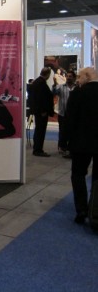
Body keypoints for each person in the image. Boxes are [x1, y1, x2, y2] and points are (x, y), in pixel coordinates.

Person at [66, 67, 98, 225]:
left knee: (78, 175)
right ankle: (95, 209)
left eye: (79, 76)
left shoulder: (77, 93)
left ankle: (82, 209)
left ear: (87, 76)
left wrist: (65, 141)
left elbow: (69, 119)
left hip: (81, 143)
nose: (78, 79)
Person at [28, 67, 54, 156]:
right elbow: (41, 99)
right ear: (48, 74)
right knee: (40, 131)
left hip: (38, 111)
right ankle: (38, 149)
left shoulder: (37, 82)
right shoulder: (41, 83)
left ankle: (37, 148)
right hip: (41, 112)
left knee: (39, 130)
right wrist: (43, 110)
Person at [53, 70, 76, 157]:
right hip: (63, 113)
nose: (69, 78)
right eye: (67, 76)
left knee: (72, 131)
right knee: (62, 131)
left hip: (73, 114)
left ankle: (70, 148)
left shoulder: (77, 87)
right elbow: (54, 92)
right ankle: (62, 147)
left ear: (74, 78)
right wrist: (54, 84)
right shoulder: (61, 87)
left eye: (70, 76)